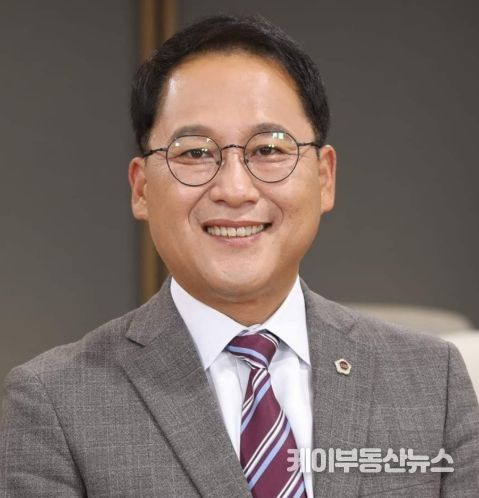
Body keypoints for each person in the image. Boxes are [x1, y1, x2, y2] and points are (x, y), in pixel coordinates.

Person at [1, 14, 478, 498]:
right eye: (194, 153)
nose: (234, 189)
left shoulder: (431, 379)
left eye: (269, 149)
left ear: (324, 177)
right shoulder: (55, 401)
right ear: (141, 188)